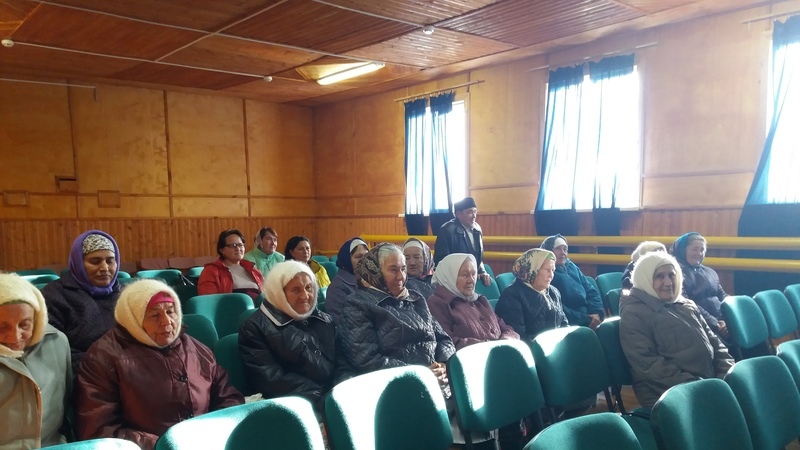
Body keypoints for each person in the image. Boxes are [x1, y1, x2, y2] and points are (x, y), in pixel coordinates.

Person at [75, 279, 243, 450]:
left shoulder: (197, 350)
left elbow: (227, 397)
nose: (167, 322)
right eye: (155, 315)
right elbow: (99, 431)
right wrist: (164, 445)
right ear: (133, 319)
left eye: (170, 311)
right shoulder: (102, 358)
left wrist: (214, 432)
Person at [619, 252, 734, 410]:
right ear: (645, 278)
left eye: (672, 275)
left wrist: (725, 376)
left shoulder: (686, 305)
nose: (668, 283)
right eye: (659, 276)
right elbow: (650, 366)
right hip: (669, 395)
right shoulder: (633, 313)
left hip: (708, 385)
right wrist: (700, 387)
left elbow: (715, 343)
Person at [239, 261, 349, 416]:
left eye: (309, 287)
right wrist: (325, 401)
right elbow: (272, 380)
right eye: (296, 290)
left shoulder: (324, 319)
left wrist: (341, 391)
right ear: (279, 292)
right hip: (293, 407)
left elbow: (343, 361)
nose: (305, 296)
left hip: (334, 399)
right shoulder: (254, 327)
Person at [0, 274, 71, 448]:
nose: (15, 337)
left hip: (53, 445)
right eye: (2, 327)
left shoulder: (57, 342)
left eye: (25, 324)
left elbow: (68, 403)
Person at [42, 230, 122, 372]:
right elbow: (55, 351)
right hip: (82, 374)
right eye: (95, 261)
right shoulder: (54, 295)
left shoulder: (125, 293)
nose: (105, 268)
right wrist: (106, 367)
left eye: (110, 261)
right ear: (78, 263)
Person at [427, 253, 518, 350]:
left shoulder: (480, 300)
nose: (471, 280)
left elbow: (507, 328)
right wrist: (493, 347)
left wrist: (506, 340)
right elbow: (449, 343)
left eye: (473, 274)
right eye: (464, 275)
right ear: (448, 277)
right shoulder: (437, 303)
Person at [495, 248, 568, 342]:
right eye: (547, 270)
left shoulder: (553, 292)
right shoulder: (511, 296)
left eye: (553, 270)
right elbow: (519, 337)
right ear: (532, 270)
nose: (551, 275)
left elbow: (564, 325)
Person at [669, 232, 728, 338]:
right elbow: (687, 303)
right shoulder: (674, 274)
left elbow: (723, 296)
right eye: (694, 249)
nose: (699, 254)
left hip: (723, 324)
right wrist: (715, 323)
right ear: (682, 250)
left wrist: (728, 319)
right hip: (698, 326)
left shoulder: (710, 272)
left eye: (702, 250)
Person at [540, 234, 604, 329]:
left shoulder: (572, 267)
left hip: (590, 316)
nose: (563, 253)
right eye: (558, 249)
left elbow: (591, 291)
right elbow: (556, 307)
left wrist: (596, 312)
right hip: (570, 322)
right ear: (549, 251)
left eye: (565, 249)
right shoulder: (546, 273)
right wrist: (586, 320)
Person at [434, 197, 491, 286]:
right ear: (458, 214)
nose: (474, 216)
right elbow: (441, 261)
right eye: (470, 212)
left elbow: (478, 258)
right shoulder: (447, 230)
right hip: (453, 282)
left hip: (472, 278)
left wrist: (482, 271)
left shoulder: (477, 229)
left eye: (475, 211)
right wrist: (466, 274)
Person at [198, 229, 264, 303]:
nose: (238, 249)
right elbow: (209, 302)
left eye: (240, 245)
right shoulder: (211, 271)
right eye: (233, 245)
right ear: (222, 250)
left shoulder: (254, 270)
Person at [324, 237, 369, 323]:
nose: (364, 260)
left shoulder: (371, 281)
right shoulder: (337, 288)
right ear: (347, 260)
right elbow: (340, 322)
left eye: (366, 256)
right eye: (358, 257)